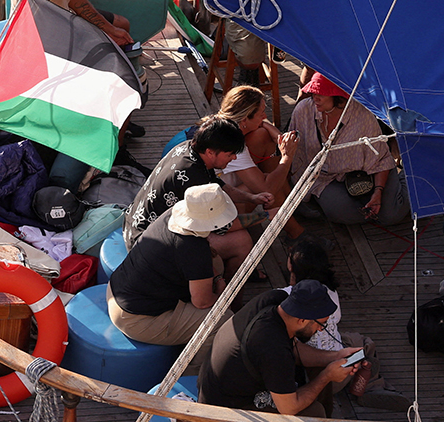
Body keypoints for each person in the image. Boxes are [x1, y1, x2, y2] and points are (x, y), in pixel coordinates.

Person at [198, 278, 362, 422]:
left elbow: (294, 350)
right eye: (321, 324)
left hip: (228, 385)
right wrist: (327, 376)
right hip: (224, 411)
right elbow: (290, 408)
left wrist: (335, 357)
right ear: (303, 318)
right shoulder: (270, 345)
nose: (321, 330)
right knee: (312, 414)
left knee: (325, 364)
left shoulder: (275, 302)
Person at [123, 116, 271, 276]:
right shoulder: (193, 177)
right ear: (210, 152)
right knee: (241, 241)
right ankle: (228, 289)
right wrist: (267, 216)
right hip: (144, 245)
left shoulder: (188, 149)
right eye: (230, 154)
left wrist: (252, 198)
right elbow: (224, 226)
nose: (234, 157)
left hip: (133, 225)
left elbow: (217, 185)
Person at [107, 184, 237, 350]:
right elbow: (202, 302)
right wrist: (221, 291)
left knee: (215, 261)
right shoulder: (193, 248)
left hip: (117, 290)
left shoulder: (172, 215)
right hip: (135, 319)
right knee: (223, 319)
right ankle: (194, 372)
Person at [287, 237, 409, 412]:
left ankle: (331, 402)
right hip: (342, 366)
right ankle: (370, 383)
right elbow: (336, 320)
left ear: (293, 266)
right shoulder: (330, 291)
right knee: (363, 343)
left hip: (316, 377)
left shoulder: (286, 298)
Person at [288, 72, 408, 226]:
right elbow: (297, 156)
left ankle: (410, 178)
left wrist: (378, 192)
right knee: (344, 214)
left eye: (321, 94)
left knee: (391, 216)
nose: (314, 97)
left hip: (370, 171)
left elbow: (380, 159)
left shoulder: (362, 115)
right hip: (325, 177)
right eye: (313, 92)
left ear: (337, 97)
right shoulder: (303, 111)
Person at [217, 85, 302, 239]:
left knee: (263, 136)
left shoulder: (225, 124)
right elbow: (266, 189)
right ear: (244, 119)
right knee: (269, 187)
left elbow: (263, 127)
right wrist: (287, 157)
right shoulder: (233, 145)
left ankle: (289, 202)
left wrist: (273, 132)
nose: (264, 116)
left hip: (222, 184)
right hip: (218, 207)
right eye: (261, 113)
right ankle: (296, 232)